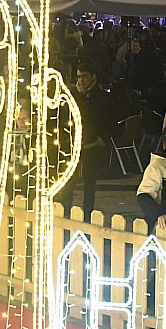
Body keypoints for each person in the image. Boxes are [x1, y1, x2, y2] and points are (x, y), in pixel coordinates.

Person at [74, 61, 116, 218]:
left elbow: (106, 119)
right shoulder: (75, 95)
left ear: (93, 77)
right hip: (76, 144)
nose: (81, 80)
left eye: (84, 76)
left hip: (93, 145)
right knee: (70, 182)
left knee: (89, 182)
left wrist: (102, 139)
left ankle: (87, 214)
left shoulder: (102, 97)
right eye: (79, 77)